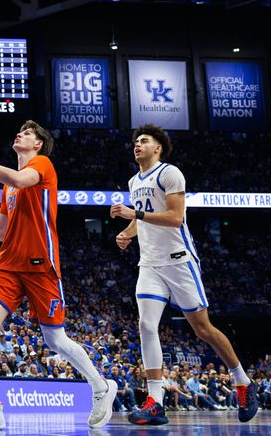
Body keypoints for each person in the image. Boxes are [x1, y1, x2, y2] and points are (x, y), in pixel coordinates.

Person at [0, 121, 116, 430]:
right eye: (18, 131)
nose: (20, 134)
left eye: (28, 133)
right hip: (9, 265)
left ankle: (100, 386)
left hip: (41, 264)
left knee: (54, 339)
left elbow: (20, 179)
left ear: (38, 145)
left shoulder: (41, 165)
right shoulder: (9, 188)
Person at [111, 124, 259, 425]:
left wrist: (133, 214)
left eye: (144, 141)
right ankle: (155, 402)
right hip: (150, 263)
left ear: (158, 148)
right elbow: (144, 220)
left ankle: (243, 381)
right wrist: (127, 232)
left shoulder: (170, 173)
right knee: (146, 325)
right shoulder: (132, 180)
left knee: (202, 329)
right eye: (135, 141)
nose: (137, 145)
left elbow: (175, 217)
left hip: (179, 261)